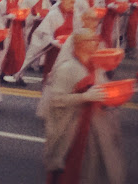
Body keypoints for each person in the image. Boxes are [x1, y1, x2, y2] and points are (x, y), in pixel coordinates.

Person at [39, 29, 125, 184]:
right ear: (79, 44)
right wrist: (84, 97)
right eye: (91, 40)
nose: (96, 43)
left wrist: (111, 98)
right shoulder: (67, 69)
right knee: (69, 169)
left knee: (91, 168)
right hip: (73, 130)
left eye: (95, 40)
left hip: (92, 128)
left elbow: (103, 89)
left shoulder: (96, 66)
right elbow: (56, 100)